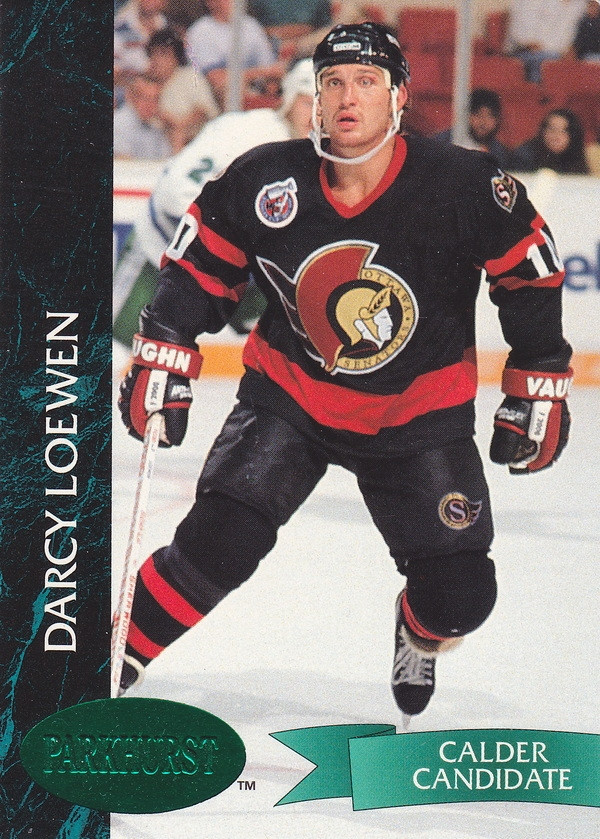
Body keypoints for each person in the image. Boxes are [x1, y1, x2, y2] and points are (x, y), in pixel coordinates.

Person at [117, 23, 573, 720]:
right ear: (316, 99)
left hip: (416, 414)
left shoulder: (463, 184)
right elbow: (201, 267)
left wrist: (538, 374)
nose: (347, 97)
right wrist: (167, 341)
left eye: (366, 82)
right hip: (291, 398)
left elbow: (529, 272)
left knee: (460, 596)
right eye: (332, 82)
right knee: (217, 544)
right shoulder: (264, 178)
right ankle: (109, 659)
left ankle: (416, 632)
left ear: (399, 97)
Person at [113, 58, 316, 344]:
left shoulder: (321, 159)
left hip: (232, 275)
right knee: (118, 349)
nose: (314, 117)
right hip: (159, 254)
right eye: (307, 103)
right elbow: (177, 192)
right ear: (289, 101)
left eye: (323, 107)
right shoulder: (249, 131)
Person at [185, 0, 279, 107]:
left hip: (256, 90)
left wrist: (269, 80)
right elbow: (217, 79)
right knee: (230, 86)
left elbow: (272, 69)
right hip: (214, 100)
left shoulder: (251, 24)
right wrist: (260, 73)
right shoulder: (200, 31)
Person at [145, 27, 220, 152]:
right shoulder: (146, 82)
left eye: (164, 54)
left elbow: (203, 110)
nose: (157, 59)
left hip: (195, 141)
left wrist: (180, 125)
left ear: (176, 57)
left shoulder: (190, 76)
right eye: (154, 54)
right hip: (157, 141)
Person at [506, 0, 586, 82]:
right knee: (550, 61)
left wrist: (569, 50)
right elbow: (520, 35)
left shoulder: (579, 5)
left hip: (556, 53)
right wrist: (533, 44)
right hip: (524, 51)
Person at [435, 88, 512, 170]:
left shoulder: (499, 152)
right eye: (478, 114)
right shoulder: (443, 144)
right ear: (467, 115)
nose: (484, 122)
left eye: (490, 116)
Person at [510, 108, 590, 173]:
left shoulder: (577, 157)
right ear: (543, 132)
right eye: (551, 129)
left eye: (563, 131)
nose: (556, 135)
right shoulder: (525, 155)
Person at [114, 74, 173, 160]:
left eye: (155, 99)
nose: (150, 104)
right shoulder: (118, 123)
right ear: (130, 97)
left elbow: (168, 160)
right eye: (145, 98)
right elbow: (125, 164)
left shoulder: (155, 126)